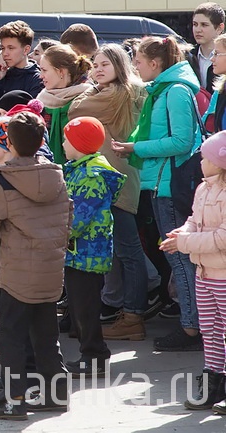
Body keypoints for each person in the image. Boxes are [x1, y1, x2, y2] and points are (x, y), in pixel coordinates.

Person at [0, 112, 72, 420]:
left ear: (9, 143)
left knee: (12, 337)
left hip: (18, 272)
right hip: (50, 268)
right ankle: (56, 394)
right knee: (47, 335)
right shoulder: (56, 175)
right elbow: (67, 220)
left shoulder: (3, 179)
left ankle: (12, 400)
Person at [112, 36, 202, 352]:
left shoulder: (175, 92)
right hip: (160, 184)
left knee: (180, 261)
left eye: (137, 60)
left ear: (156, 63)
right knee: (178, 260)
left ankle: (192, 329)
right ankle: (192, 326)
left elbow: (181, 142)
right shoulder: (163, 91)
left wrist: (136, 147)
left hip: (170, 186)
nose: (134, 65)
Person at [69, 44, 149, 340]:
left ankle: (134, 316)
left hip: (117, 181)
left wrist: (87, 90)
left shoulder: (120, 93)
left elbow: (76, 110)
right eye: (95, 65)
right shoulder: (104, 92)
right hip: (107, 180)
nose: (98, 69)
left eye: (105, 64)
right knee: (120, 252)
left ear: (120, 66)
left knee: (129, 252)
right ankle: (127, 310)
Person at [161, 130, 226, 411]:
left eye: (205, 157)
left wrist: (184, 242)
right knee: (209, 331)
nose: (200, 161)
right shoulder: (203, 188)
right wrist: (183, 232)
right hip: (203, 273)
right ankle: (212, 382)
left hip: (222, 275)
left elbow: (222, 237)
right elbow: (193, 220)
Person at [61, 116, 125, 377]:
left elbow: (78, 219)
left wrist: (57, 234)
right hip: (77, 253)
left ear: (79, 144)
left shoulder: (90, 175)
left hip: (86, 253)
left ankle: (94, 356)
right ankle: (91, 352)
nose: (63, 144)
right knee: (79, 306)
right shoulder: (78, 168)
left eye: (66, 140)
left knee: (85, 307)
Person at [37, 44, 93, 164]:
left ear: (60, 72)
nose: (41, 76)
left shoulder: (88, 99)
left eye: (44, 70)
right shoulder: (41, 100)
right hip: (47, 171)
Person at [0, 21, 44, 114]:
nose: (5, 53)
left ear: (26, 50)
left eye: (11, 48)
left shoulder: (37, 79)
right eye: (3, 48)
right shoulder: (1, 75)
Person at [187, 2, 226, 95]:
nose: (198, 30)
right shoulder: (186, 57)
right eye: (195, 24)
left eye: (204, 25)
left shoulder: (224, 57)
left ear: (219, 28)